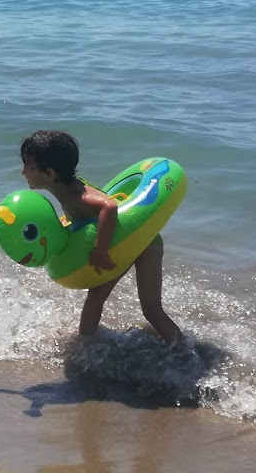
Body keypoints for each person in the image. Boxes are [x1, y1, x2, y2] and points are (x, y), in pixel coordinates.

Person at [19, 131, 182, 345]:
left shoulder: (77, 196)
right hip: (127, 241)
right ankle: (86, 344)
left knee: (149, 309)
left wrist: (100, 249)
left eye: (28, 167)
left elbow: (109, 206)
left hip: (142, 242)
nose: (23, 172)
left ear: (49, 173)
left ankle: (185, 355)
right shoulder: (65, 190)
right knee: (98, 298)